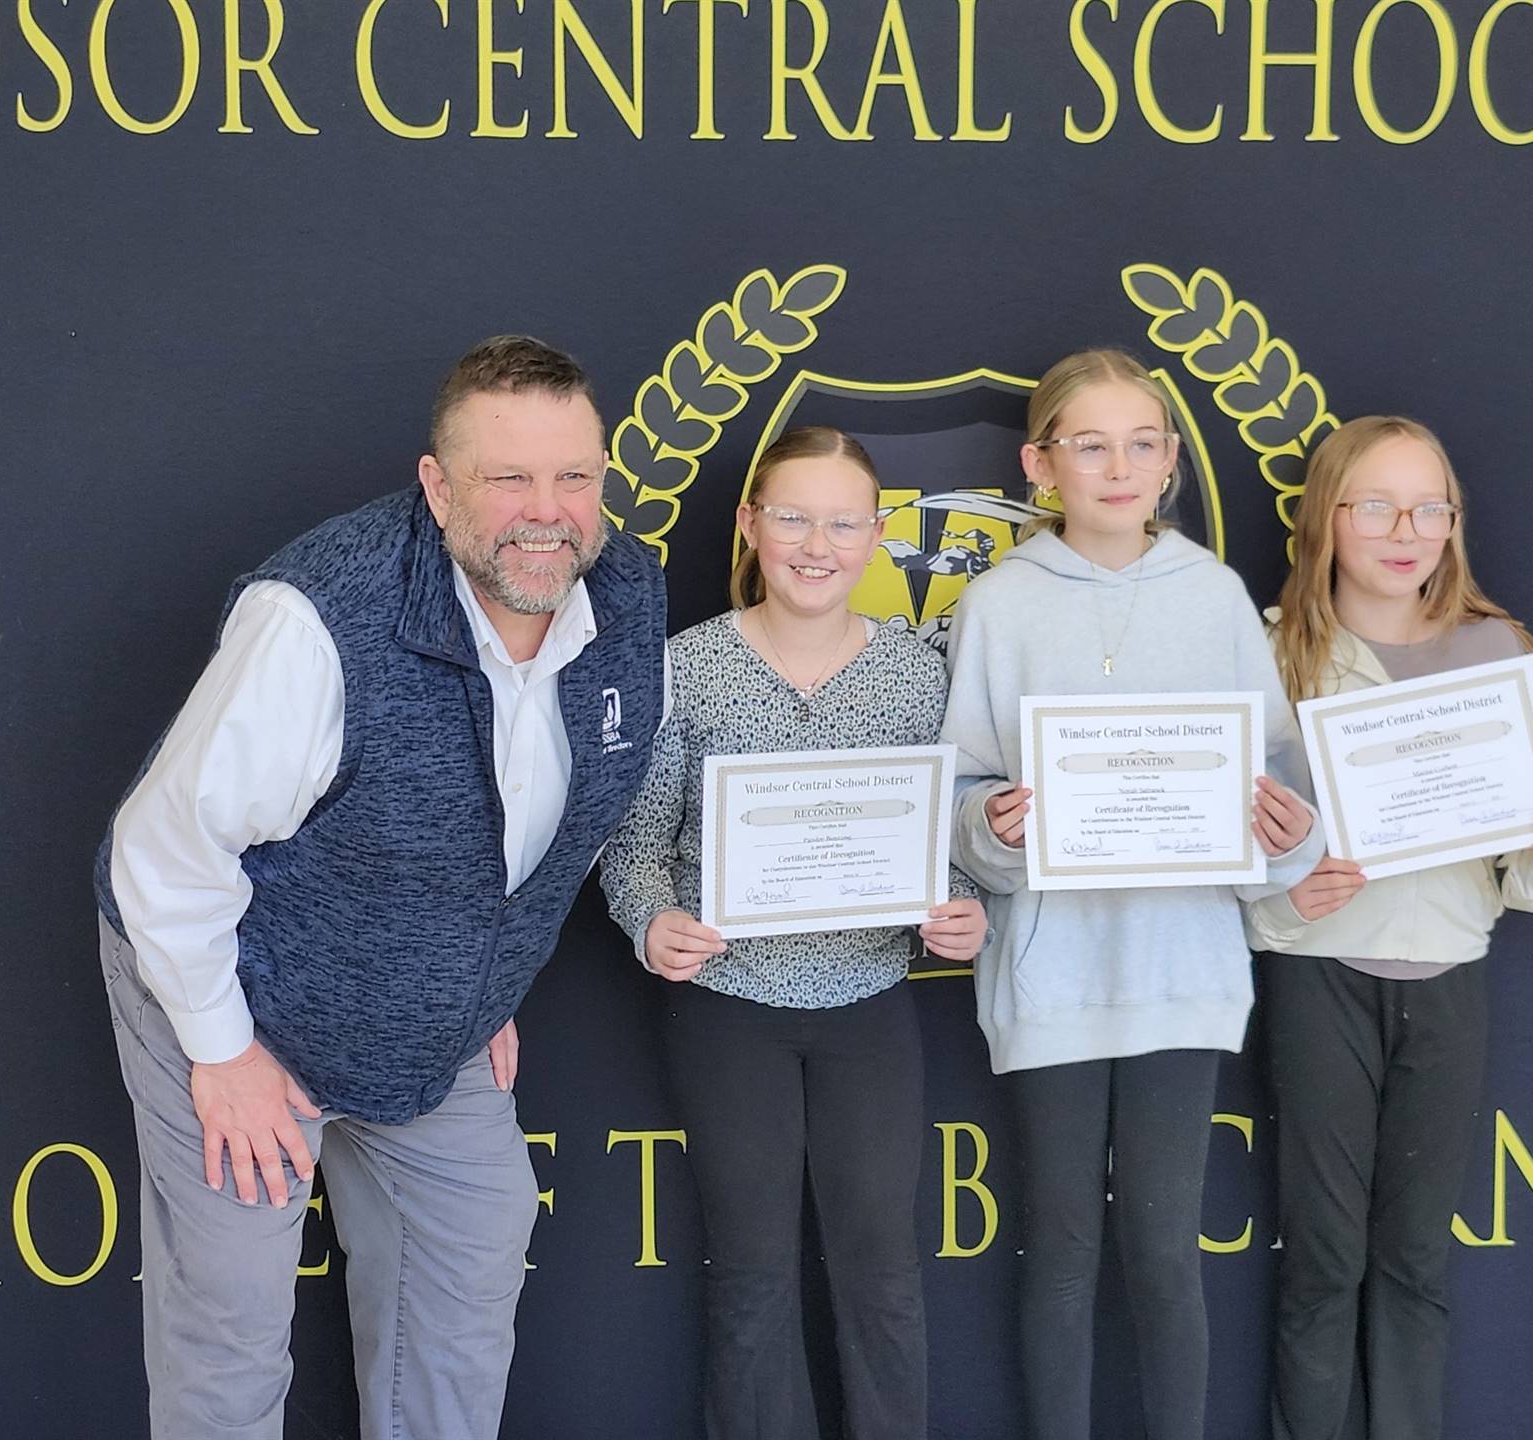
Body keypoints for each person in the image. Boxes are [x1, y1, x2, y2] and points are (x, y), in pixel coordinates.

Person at [92, 336, 667, 1439]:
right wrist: (219, 1052)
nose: (547, 511)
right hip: (234, 983)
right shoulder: (318, 620)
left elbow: (573, 811)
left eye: (576, 476)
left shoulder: (627, 599)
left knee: (479, 1229)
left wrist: (484, 988)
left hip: (423, 1000)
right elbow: (165, 851)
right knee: (235, 1305)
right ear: (438, 487)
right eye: (508, 479)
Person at [940, 348, 1323, 1440]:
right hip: (1052, 973)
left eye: (1142, 443)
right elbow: (963, 792)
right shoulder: (999, 604)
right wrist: (993, 828)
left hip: (1181, 969)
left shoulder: (1213, 597)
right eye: (1090, 443)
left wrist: (1286, 836)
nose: (1119, 465)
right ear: (1040, 464)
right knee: (1059, 1245)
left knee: (1164, 1248)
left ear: (1170, 465)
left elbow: (1276, 781)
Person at [599, 426, 988, 1440]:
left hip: (868, 1005)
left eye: (843, 523)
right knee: (754, 1274)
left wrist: (956, 910)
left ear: (876, 537)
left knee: (885, 1272)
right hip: (729, 1010)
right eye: (793, 518)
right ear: (749, 525)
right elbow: (634, 848)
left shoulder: (916, 677)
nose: (817, 545)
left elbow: (936, 845)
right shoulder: (684, 669)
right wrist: (654, 924)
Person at [1249, 416, 1533, 1440]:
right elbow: (1231, 859)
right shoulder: (1277, 655)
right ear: (1327, 519)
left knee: (1413, 1260)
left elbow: (1521, 876)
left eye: (1429, 507)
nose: (1406, 530)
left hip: (1447, 971)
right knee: (1322, 1259)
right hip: (1318, 974)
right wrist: (1281, 901)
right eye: (1375, 505)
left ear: (1453, 522)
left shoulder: (1496, 651)